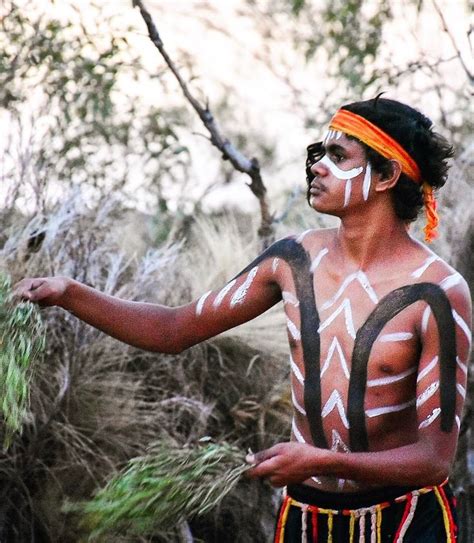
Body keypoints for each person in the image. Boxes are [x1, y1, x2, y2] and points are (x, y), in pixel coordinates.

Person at [15, 97, 471, 542]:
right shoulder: (293, 261)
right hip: (305, 515)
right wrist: (70, 293)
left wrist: (318, 462)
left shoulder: (437, 293)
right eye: (320, 154)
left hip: (407, 521)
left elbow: (433, 461)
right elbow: (173, 329)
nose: (316, 167)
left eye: (338, 156)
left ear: (388, 174)